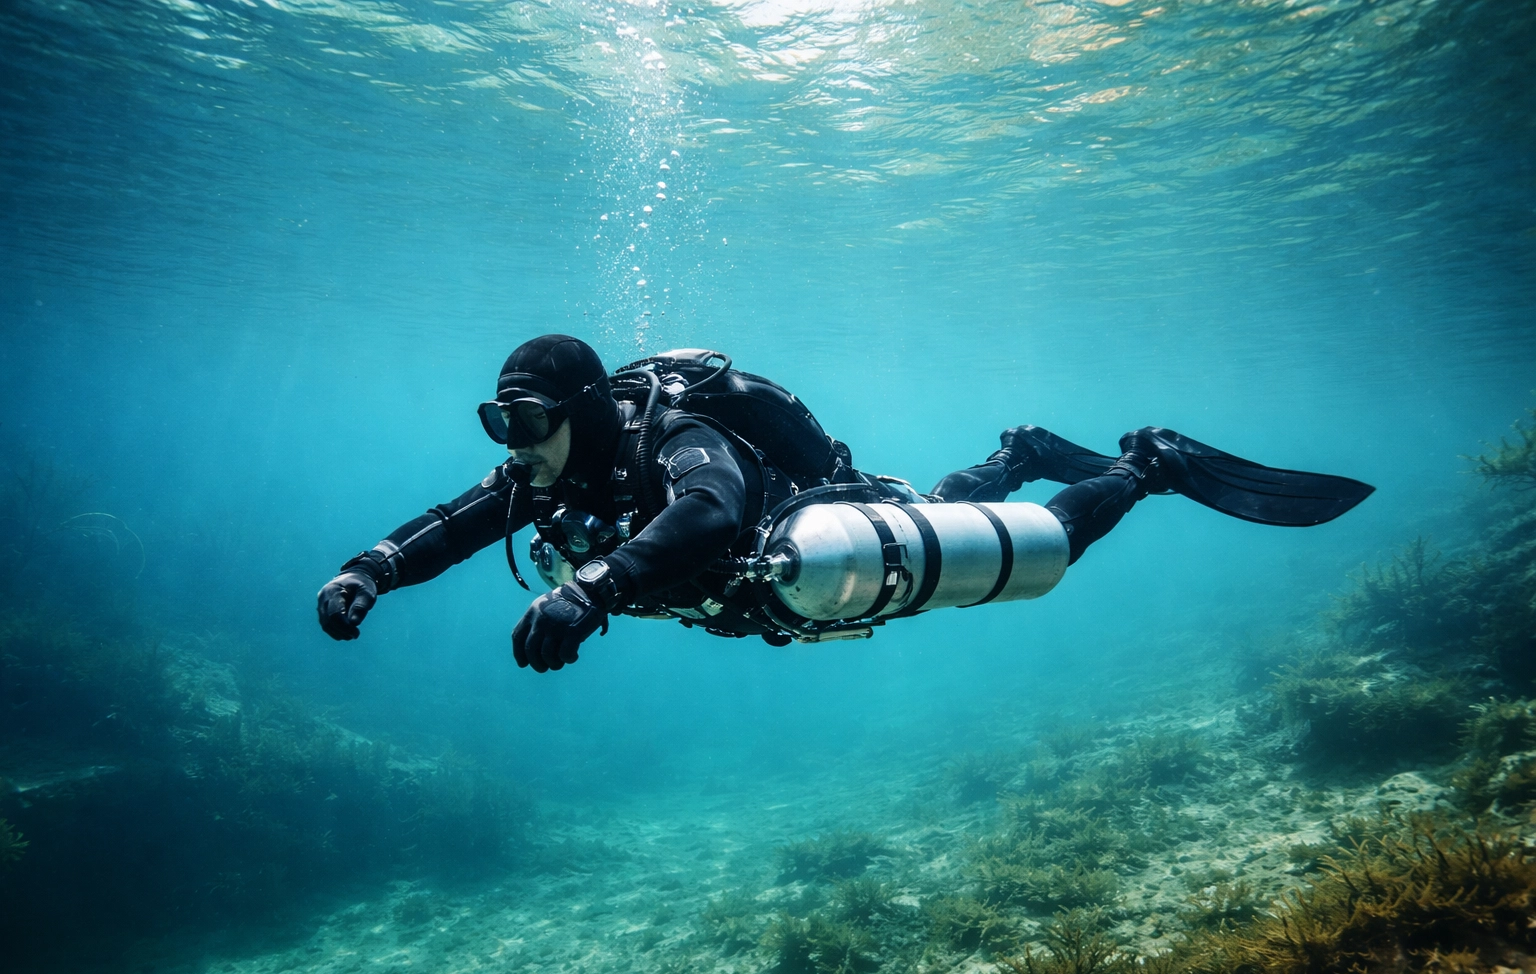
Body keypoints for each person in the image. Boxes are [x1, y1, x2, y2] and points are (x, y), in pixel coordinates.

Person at [317, 335, 1372, 671]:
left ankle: (1151, 462)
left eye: (528, 421)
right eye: (500, 425)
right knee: (926, 499)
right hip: (825, 549)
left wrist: (595, 588)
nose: (514, 447)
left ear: (584, 411)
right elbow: (457, 521)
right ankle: (1020, 450)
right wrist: (373, 569)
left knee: (1037, 547)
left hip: (815, 544)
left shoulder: (671, 439)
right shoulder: (547, 467)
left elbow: (712, 512)